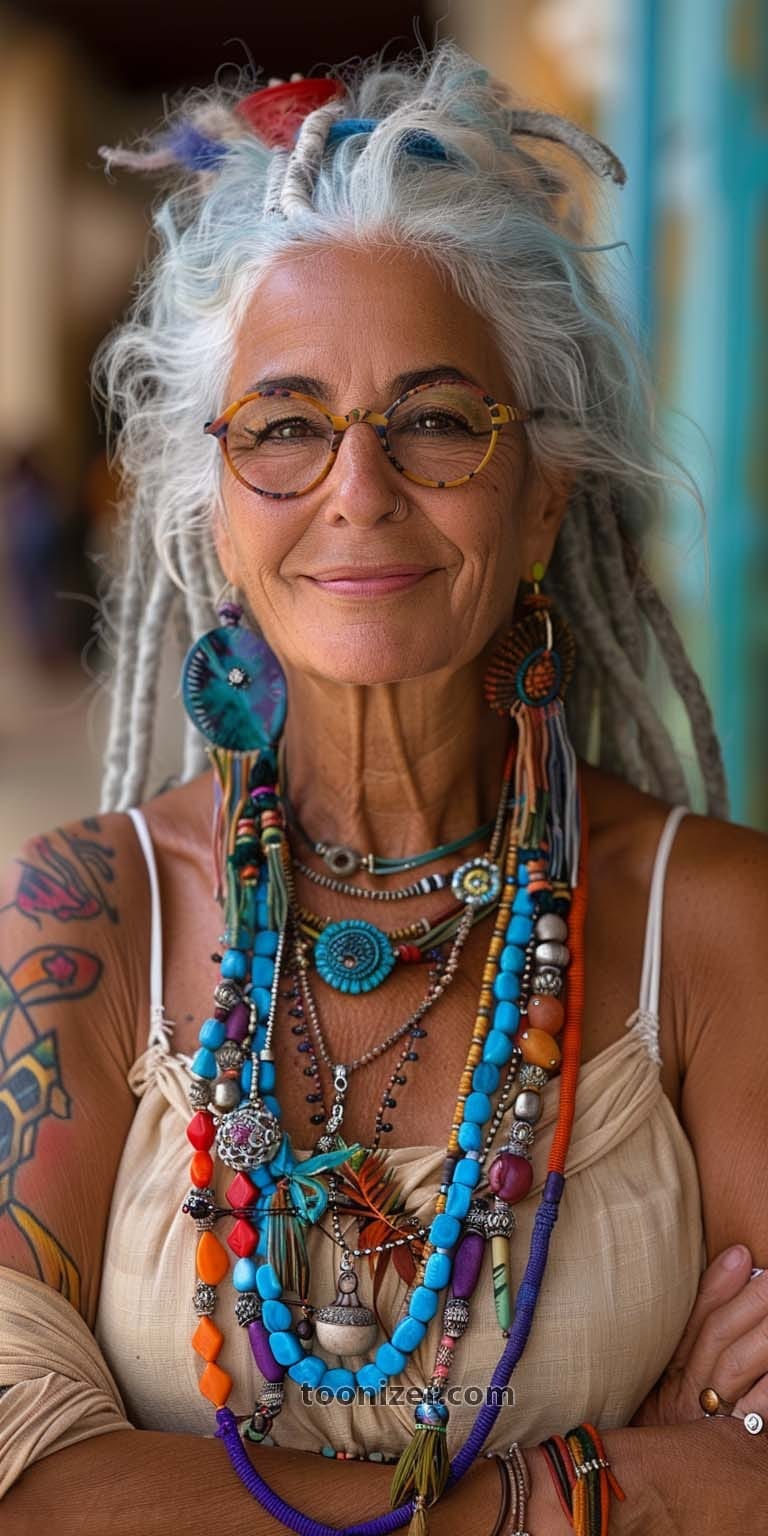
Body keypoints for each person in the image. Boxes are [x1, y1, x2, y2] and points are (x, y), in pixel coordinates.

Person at [1, 43, 767, 1535]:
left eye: (435, 418)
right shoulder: (83, 916)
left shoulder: (721, 922)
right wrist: (564, 1498)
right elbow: (22, 1476)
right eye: (284, 426)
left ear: (541, 490)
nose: (358, 489)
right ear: (211, 513)